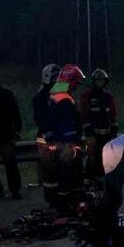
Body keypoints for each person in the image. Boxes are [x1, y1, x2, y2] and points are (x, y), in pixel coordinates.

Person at [44, 64, 85, 210]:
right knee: (69, 173)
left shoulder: (55, 93)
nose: (77, 86)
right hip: (66, 142)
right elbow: (68, 124)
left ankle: (60, 201)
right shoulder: (64, 98)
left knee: (61, 173)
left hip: (58, 140)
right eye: (76, 82)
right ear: (70, 80)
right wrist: (72, 144)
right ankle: (67, 204)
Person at [80, 68, 118, 177]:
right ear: (94, 81)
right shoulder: (87, 96)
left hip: (106, 135)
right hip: (92, 135)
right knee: (92, 158)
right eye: (98, 80)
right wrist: (89, 134)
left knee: (105, 159)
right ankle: (88, 181)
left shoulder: (108, 96)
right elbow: (84, 115)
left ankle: (102, 182)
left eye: (102, 80)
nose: (100, 83)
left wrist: (114, 131)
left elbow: (113, 115)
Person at [33, 64, 61, 190]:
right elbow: (39, 118)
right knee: (48, 165)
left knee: (60, 165)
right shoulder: (40, 97)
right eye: (54, 78)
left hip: (59, 134)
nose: (57, 80)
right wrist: (47, 133)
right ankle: (49, 192)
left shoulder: (60, 93)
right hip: (45, 136)